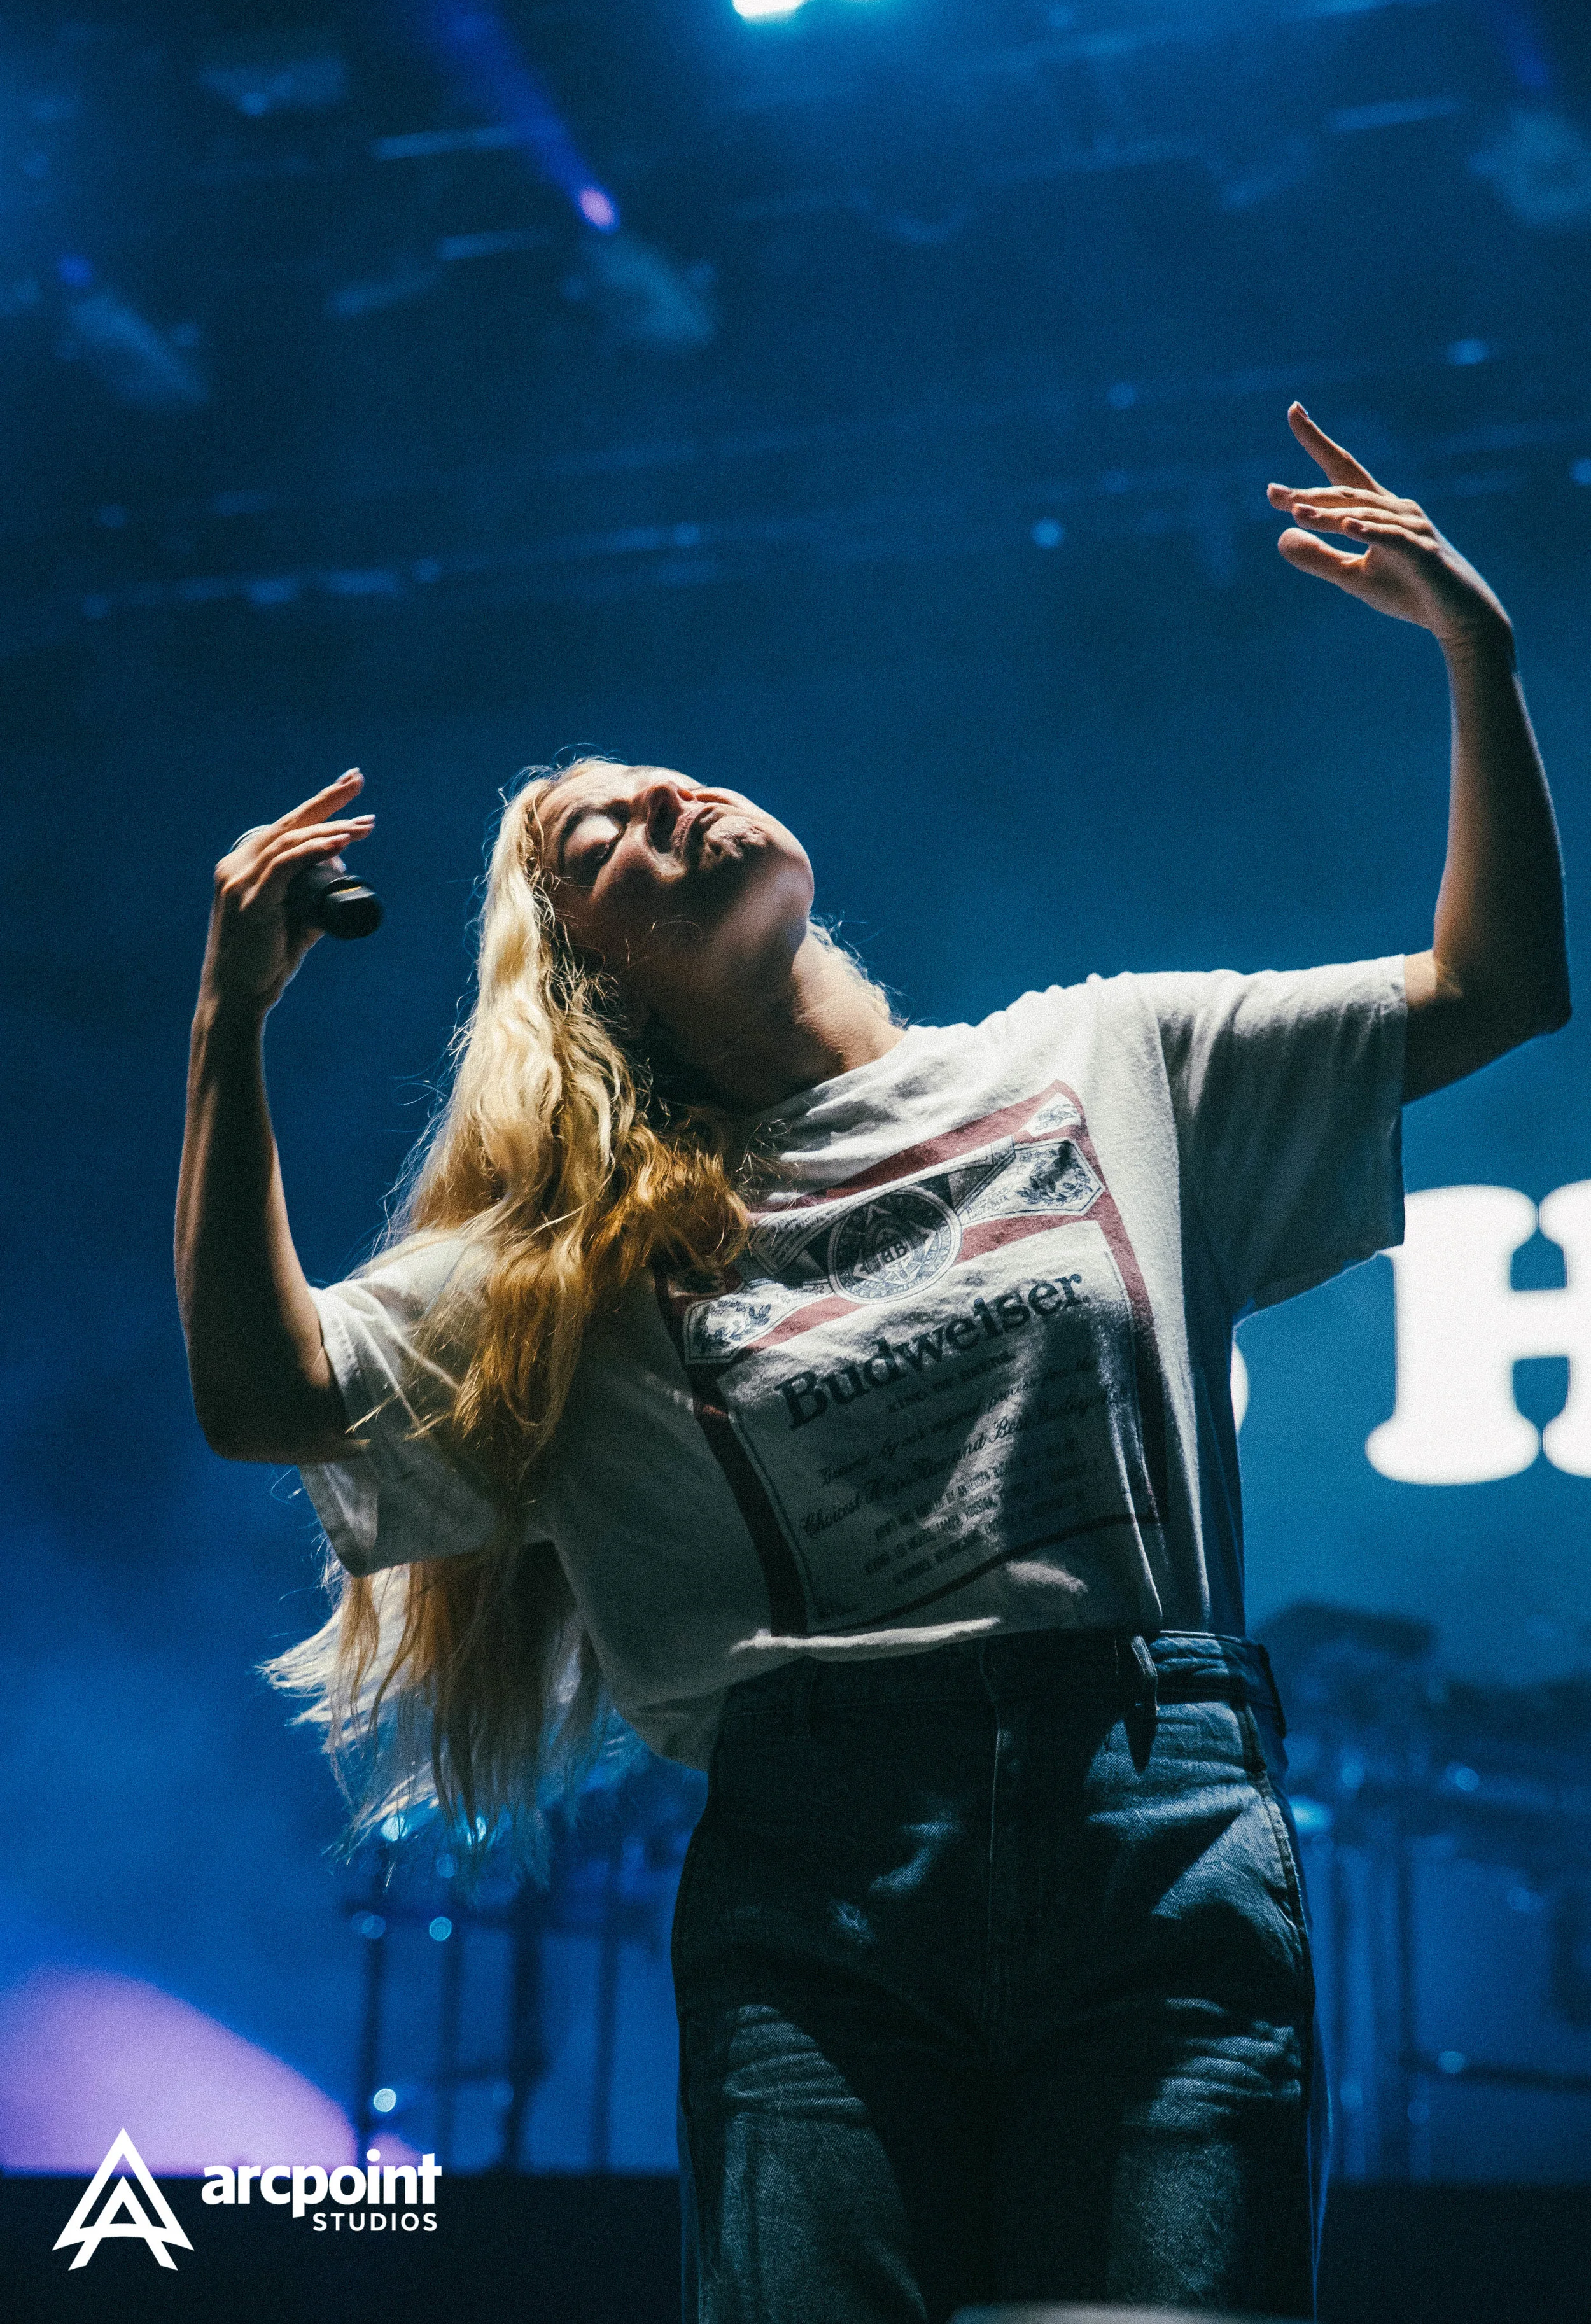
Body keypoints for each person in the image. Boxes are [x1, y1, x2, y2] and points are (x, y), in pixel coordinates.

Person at [175, 404, 1569, 2323]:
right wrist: (228, 1028)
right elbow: (265, 1398)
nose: (667, 802)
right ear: (585, 982)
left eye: (666, 780)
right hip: (818, 1879)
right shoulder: (574, 1266)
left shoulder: (1100, 1060)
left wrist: (1477, 655)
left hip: (1148, 1819)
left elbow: (1495, 987)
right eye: (600, 838)